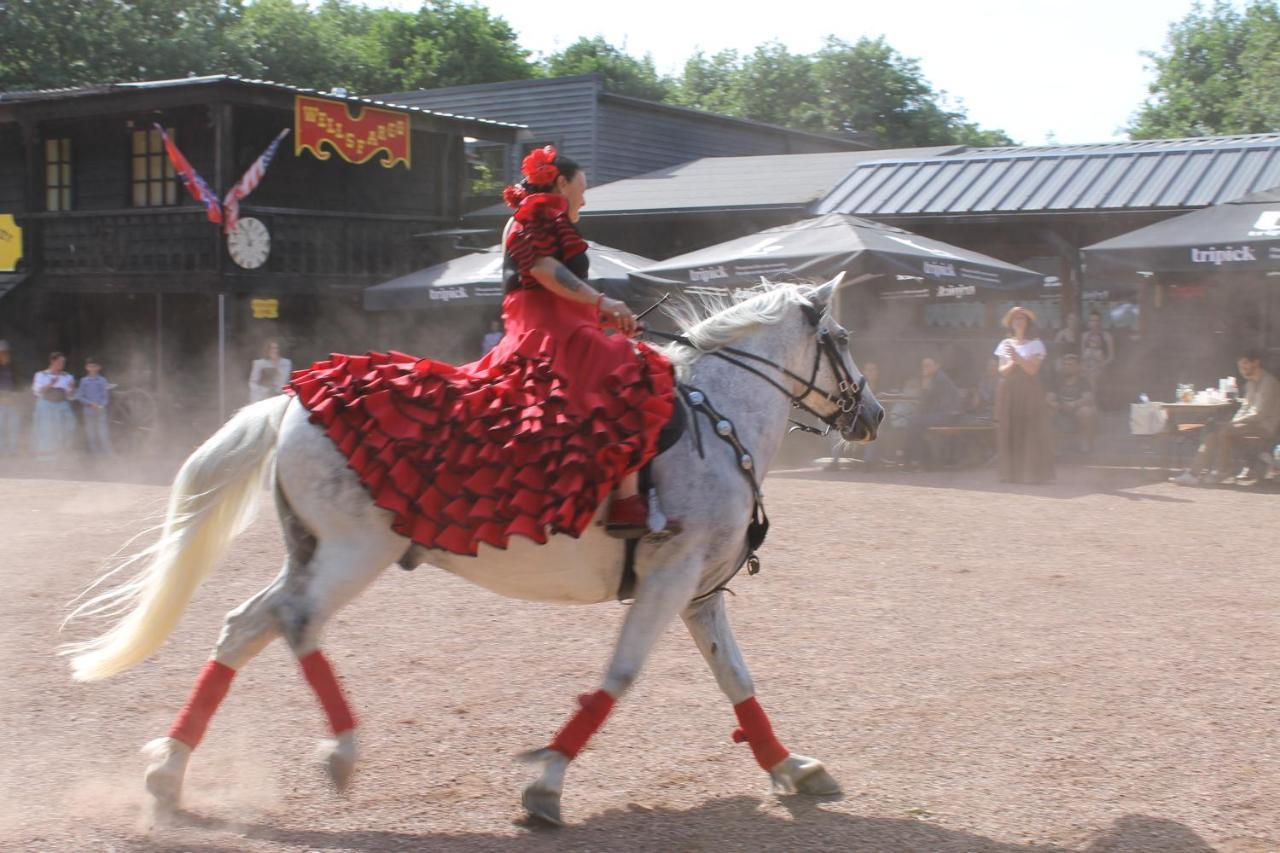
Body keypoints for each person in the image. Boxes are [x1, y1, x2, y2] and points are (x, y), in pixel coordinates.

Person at [286, 146, 674, 554]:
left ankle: (621, 498)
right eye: (581, 188)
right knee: (637, 370)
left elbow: (547, 284)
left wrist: (600, 315)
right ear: (560, 182)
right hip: (546, 332)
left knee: (623, 370)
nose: (584, 198)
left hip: (557, 324)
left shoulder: (542, 214)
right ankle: (628, 503)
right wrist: (602, 303)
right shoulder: (541, 211)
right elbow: (543, 269)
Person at [1172, 350, 1280, 486]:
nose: (1242, 369)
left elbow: (1260, 414)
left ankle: (1221, 470)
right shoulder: (1250, 384)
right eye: (1240, 366)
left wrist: (1235, 422)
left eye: (1245, 364)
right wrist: (1235, 420)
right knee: (1213, 431)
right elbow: (1244, 408)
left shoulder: (1269, 382)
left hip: (1265, 426)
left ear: (1256, 363)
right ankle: (1194, 473)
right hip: (1250, 424)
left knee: (1224, 431)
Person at [994, 307, 1054, 484]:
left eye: (1022, 319)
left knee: (1030, 429)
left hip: (1029, 392)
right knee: (1009, 429)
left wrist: (1018, 359)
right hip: (1009, 392)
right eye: (1015, 319)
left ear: (1028, 323)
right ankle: (1010, 474)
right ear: (1011, 323)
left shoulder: (1036, 344)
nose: (1018, 322)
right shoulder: (1005, 344)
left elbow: (1032, 370)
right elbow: (1002, 371)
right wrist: (1012, 361)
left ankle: (1032, 474)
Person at [904, 356, 963, 468]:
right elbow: (927, 404)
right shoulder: (937, 378)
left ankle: (914, 459)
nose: (925, 368)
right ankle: (919, 459)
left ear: (937, 366)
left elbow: (926, 401)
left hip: (948, 416)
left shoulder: (939, 379)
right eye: (923, 366)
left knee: (913, 421)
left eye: (928, 365)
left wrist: (923, 384)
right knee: (915, 422)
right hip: (945, 415)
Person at [1046, 353, 1097, 454]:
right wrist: (1056, 405)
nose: (1067, 367)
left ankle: (1085, 441)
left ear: (1078, 367)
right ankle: (1049, 445)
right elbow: (1048, 398)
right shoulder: (1057, 380)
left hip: (1077, 412)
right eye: (1065, 364)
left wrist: (1073, 405)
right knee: (1046, 410)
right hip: (1060, 411)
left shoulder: (1083, 381)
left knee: (1086, 411)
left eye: (1070, 365)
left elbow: (1088, 398)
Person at [31, 351, 77, 463]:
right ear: (52, 361)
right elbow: (37, 391)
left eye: (63, 362)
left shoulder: (67, 376)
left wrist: (71, 389)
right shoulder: (41, 375)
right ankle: (46, 459)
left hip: (62, 405)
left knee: (69, 427)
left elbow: (71, 396)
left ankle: (63, 456)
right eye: (60, 361)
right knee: (47, 432)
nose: (62, 364)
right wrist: (50, 384)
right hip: (46, 405)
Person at [76, 356, 112, 455]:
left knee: (103, 433)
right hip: (88, 412)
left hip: (100, 411)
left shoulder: (102, 380)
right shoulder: (84, 381)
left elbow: (105, 397)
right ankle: (95, 455)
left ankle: (107, 454)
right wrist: (89, 403)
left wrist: (101, 405)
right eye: (90, 366)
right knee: (91, 434)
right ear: (86, 367)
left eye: (95, 366)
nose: (92, 368)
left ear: (99, 367)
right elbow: (79, 396)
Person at [1080, 311, 1114, 394]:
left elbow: (1111, 357)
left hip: (1101, 366)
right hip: (1088, 365)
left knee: (1092, 376)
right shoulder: (1084, 336)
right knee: (1080, 374)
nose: (1094, 323)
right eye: (1092, 321)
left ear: (1100, 322)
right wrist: (1084, 367)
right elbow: (1082, 355)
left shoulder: (1107, 336)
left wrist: (1099, 365)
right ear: (1089, 323)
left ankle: (1092, 400)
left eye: (1097, 320)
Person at [0, 340, 19, 456]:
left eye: (5, 352)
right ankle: (1, 450)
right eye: (2, 352)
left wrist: (15, 393)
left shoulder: (12, 367)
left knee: (13, 426)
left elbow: (18, 383)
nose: (4, 354)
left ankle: (12, 450)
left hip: (12, 401)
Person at [968, 356, 999, 420]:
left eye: (995, 366)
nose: (992, 368)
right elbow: (975, 403)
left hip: (995, 415)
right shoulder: (981, 381)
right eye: (990, 365)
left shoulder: (1001, 383)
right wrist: (975, 392)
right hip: (981, 413)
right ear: (986, 366)